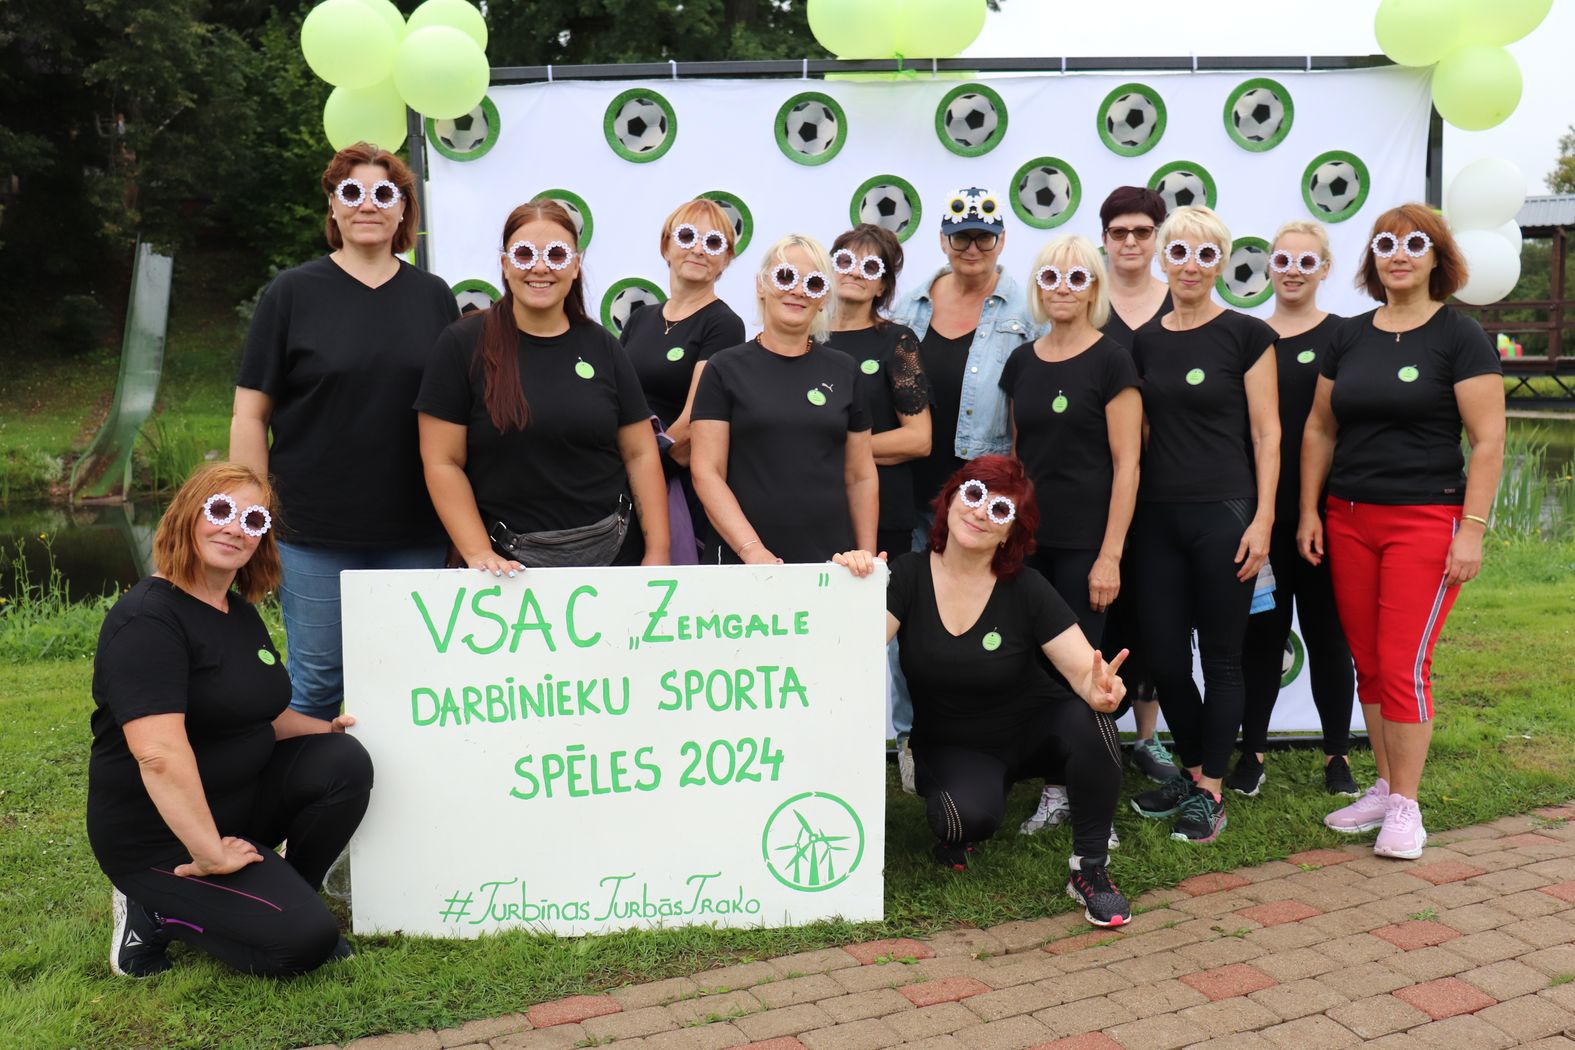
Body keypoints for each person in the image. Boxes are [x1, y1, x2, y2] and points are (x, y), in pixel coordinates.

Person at [88, 462, 373, 977]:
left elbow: (263, 714)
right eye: (221, 510)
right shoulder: (147, 618)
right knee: (304, 944)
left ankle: (281, 893)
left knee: (343, 761)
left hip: (236, 808)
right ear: (187, 516)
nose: (235, 529)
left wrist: (327, 731)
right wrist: (210, 853)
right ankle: (154, 908)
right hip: (160, 836)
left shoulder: (236, 611)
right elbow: (157, 753)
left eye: (253, 519)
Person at [834, 456, 1131, 927]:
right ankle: (971, 794)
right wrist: (848, 586)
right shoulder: (908, 575)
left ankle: (1090, 868)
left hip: (1029, 730)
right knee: (961, 822)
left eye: (1000, 509)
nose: (980, 512)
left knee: (1092, 718)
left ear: (1011, 533)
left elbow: (1083, 670)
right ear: (951, 499)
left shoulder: (1026, 587)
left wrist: (1100, 689)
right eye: (974, 494)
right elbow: (854, 652)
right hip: (954, 743)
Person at [1300, 204, 1504, 859]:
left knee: (1403, 665)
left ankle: (1407, 811)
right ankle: (1387, 787)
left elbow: (1488, 440)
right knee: (1368, 663)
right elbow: (1320, 427)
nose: (1398, 254)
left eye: (1415, 243)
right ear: (1372, 257)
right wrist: (1309, 511)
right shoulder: (1348, 335)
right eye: (1385, 243)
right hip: (1348, 518)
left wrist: (1471, 531)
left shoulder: (1459, 335)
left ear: (1436, 256)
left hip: (1425, 520)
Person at [231, 142, 459, 722]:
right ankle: (303, 784)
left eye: (384, 193)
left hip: (415, 530)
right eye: (351, 191)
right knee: (316, 684)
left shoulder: (434, 296)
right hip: (312, 530)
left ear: (404, 209)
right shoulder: (291, 293)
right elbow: (249, 415)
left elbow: (455, 418)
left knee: (413, 686)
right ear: (332, 206)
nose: (367, 204)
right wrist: (252, 512)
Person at [1127, 205, 1280, 844]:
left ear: (1222, 263)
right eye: (1180, 252)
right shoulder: (1142, 342)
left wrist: (1264, 518)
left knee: (1221, 659)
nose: (1191, 266)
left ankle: (1211, 791)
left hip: (1227, 514)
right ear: (1162, 260)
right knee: (1165, 660)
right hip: (1157, 519)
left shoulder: (1248, 335)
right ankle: (1192, 774)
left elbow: (1267, 434)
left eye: (1206, 254)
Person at [416, 200, 670, 573]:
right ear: (505, 264)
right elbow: (442, 461)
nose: (539, 267)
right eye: (524, 254)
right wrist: (478, 553)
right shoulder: (462, 345)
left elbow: (640, 454)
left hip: (616, 558)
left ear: (575, 265)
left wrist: (658, 553)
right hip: (507, 570)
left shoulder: (603, 346)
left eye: (556, 254)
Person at [1000, 235, 1142, 838]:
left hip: (1088, 546)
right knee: (1037, 667)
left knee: (1088, 672)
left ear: (1093, 289)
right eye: (1051, 277)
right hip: (1030, 544)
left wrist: (1110, 555)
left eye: (1077, 278)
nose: (1062, 289)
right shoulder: (1020, 363)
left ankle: (1094, 808)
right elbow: (1017, 458)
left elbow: (1127, 465)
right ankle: (1056, 789)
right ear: (1038, 287)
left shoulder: (1113, 361)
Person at [1233, 221, 1358, 799]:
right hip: (1262, 515)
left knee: (1328, 636)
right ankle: (1252, 753)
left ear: (1325, 269)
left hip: (1324, 517)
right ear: (1268, 267)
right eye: (1283, 260)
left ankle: (1338, 754)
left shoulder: (1344, 336)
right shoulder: (1248, 337)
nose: (1292, 272)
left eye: (1306, 262)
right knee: (1262, 636)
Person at [691, 234, 878, 564]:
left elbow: (860, 476)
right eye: (786, 276)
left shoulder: (845, 370)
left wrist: (866, 555)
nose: (798, 291)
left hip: (830, 563)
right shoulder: (723, 368)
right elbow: (707, 472)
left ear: (824, 297)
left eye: (814, 283)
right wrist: (752, 550)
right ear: (761, 285)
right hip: (741, 562)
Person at [829, 224, 932, 789]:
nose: (854, 273)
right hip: (811, 510)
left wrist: (835, 448)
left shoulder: (897, 341)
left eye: (870, 267)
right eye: (844, 260)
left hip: (884, 513)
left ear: (884, 284)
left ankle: (911, 745)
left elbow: (918, 438)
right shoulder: (798, 333)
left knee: (890, 640)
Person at [891, 187, 1041, 535]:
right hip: (908, 496)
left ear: (1002, 241)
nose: (972, 250)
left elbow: (1034, 412)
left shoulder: (1029, 315)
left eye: (984, 238)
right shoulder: (910, 307)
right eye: (961, 238)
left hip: (982, 504)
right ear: (943, 241)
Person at [1091, 186, 1176, 785]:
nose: (1130, 242)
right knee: (1096, 612)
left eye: (1142, 231)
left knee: (1156, 611)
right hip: (1096, 482)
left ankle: (1148, 739)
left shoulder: (1181, 299)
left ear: (1158, 238)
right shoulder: (1086, 300)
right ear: (1104, 238)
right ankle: (1091, 731)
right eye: (1119, 231)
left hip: (1170, 483)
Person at [619, 200, 746, 560]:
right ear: (666, 247)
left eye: (713, 242)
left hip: (673, 485)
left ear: (726, 260)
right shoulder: (640, 319)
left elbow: (693, 425)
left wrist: (642, 470)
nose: (698, 249)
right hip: (625, 477)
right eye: (688, 236)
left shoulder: (724, 324)